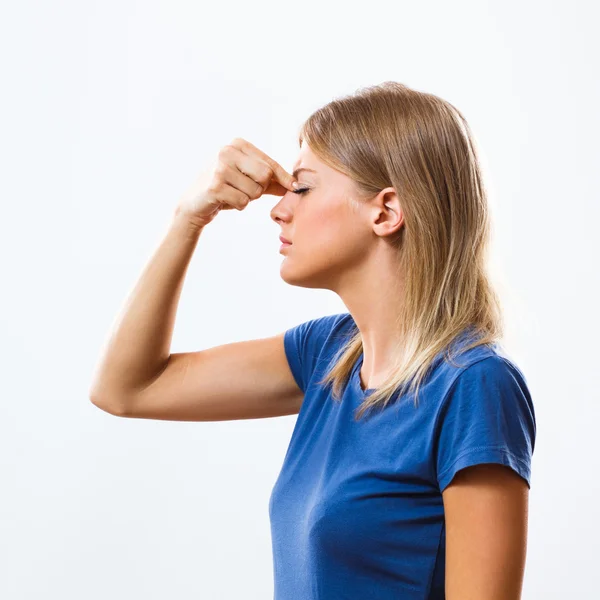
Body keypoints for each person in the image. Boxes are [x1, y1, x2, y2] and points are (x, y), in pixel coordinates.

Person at [89, 81, 536, 599]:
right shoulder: (329, 355)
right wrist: (189, 218)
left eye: (301, 188)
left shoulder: (474, 384)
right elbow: (126, 388)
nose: (278, 210)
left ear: (385, 212)